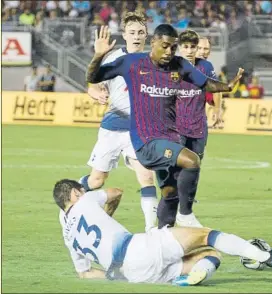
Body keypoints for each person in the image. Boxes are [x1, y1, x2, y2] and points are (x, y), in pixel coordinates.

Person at [86, 24, 244, 229]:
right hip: (146, 141)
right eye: (165, 46)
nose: (169, 51)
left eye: (173, 47)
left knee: (170, 193)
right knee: (191, 160)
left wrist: (228, 86)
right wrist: (98, 55)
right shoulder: (132, 63)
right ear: (153, 43)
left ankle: (160, 234)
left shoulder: (179, 65)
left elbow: (206, 84)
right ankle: (186, 215)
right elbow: (93, 77)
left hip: (169, 137)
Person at [54, 179, 272, 285]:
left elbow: (84, 274)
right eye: (81, 191)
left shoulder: (67, 236)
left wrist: (113, 275)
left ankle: (194, 276)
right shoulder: (85, 201)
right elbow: (115, 192)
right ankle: (269, 257)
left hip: (132, 274)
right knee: (205, 235)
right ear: (75, 193)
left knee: (210, 255)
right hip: (139, 248)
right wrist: (107, 213)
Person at [80, 12, 158, 232]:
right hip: (112, 128)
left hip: (139, 130)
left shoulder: (153, 61)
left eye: (140, 32)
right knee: (96, 181)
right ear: (124, 34)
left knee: (146, 176)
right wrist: (95, 93)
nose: (136, 36)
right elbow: (92, 85)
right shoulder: (113, 58)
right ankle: (74, 193)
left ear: (146, 36)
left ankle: (152, 231)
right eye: (132, 32)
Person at [175, 30, 219, 227]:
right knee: (176, 166)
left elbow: (215, 88)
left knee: (195, 166)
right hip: (176, 127)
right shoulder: (171, 66)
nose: (195, 50)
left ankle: (186, 207)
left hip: (199, 126)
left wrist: (217, 109)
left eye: (198, 47)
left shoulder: (206, 67)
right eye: (191, 46)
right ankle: (175, 206)